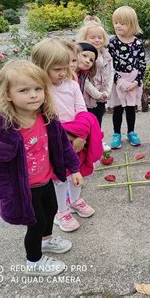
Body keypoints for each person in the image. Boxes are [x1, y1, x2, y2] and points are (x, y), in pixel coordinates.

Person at [0, 60, 82, 276]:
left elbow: (63, 146)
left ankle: (47, 242)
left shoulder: (47, 117)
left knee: (50, 212)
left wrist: (74, 168)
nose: (33, 95)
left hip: (46, 179)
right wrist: (3, 193)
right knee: (36, 223)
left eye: (38, 88)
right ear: (8, 94)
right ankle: (34, 262)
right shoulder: (7, 129)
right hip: (25, 188)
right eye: (24, 90)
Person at [32, 38, 102, 233]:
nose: (63, 72)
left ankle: (75, 199)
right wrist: (70, 137)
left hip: (78, 138)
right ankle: (60, 210)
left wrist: (82, 136)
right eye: (57, 69)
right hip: (56, 141)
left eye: (66, 66)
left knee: (77, 171)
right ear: (41, 67)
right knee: (60, 177)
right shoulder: (41, 92)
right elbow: (45, 121)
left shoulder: (71, 85)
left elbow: (82, 111)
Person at [107, 6, 145, 148]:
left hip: (133, 80)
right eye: (116, 22)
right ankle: (117, 134)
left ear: (131, 24)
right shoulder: (112, 42)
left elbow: (142, 64)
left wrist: (137, 82)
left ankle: (131, 132)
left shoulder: (137, 43)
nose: (117, 25)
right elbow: (109, 65)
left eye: (122, 23)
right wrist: (118, 80)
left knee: (130, 108)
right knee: (118, 108)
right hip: (118, 80)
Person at [76, 17, 114, 147]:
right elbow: (84, 79)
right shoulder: (85, 57)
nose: (97, 40)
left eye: (100, 37)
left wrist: (107, 92)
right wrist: (96, 93)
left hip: (102, 95)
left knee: (99, 118)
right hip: (89, 97)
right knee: (89, 120)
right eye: (92, 37)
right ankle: (89, 143)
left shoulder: (107, 55)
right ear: (84, 39)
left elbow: (110, 73)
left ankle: (97, 141)